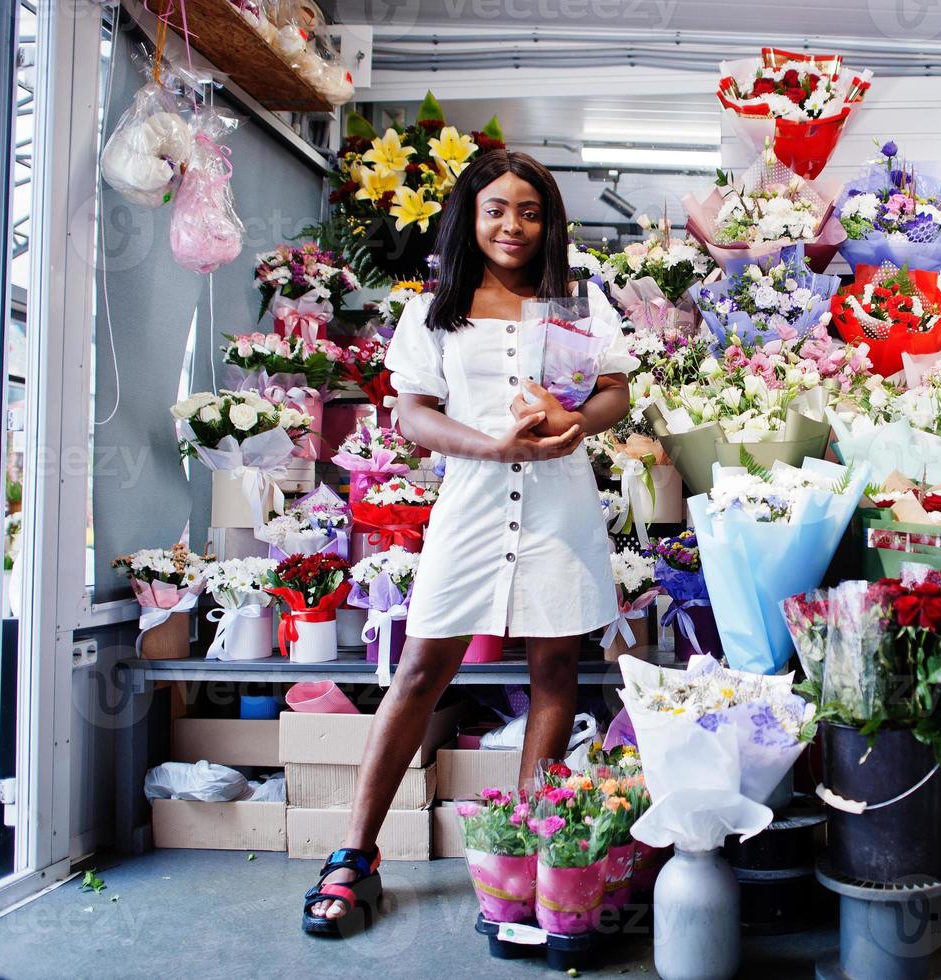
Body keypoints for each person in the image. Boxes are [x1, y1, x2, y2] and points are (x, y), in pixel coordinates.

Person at [301, 149, 635, 937]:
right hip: (473, 500)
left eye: (528, 210)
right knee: (422, 668)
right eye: (496, 209)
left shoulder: (580, 299)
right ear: (470, 217)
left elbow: (616, 387)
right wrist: (491, 447)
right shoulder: (433, 308)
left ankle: (524, 856)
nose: (512, 225)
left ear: (549, 221)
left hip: (559, 503)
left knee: (556, 667)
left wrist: (574, 423)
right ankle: (353, 856)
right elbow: (412, 413)